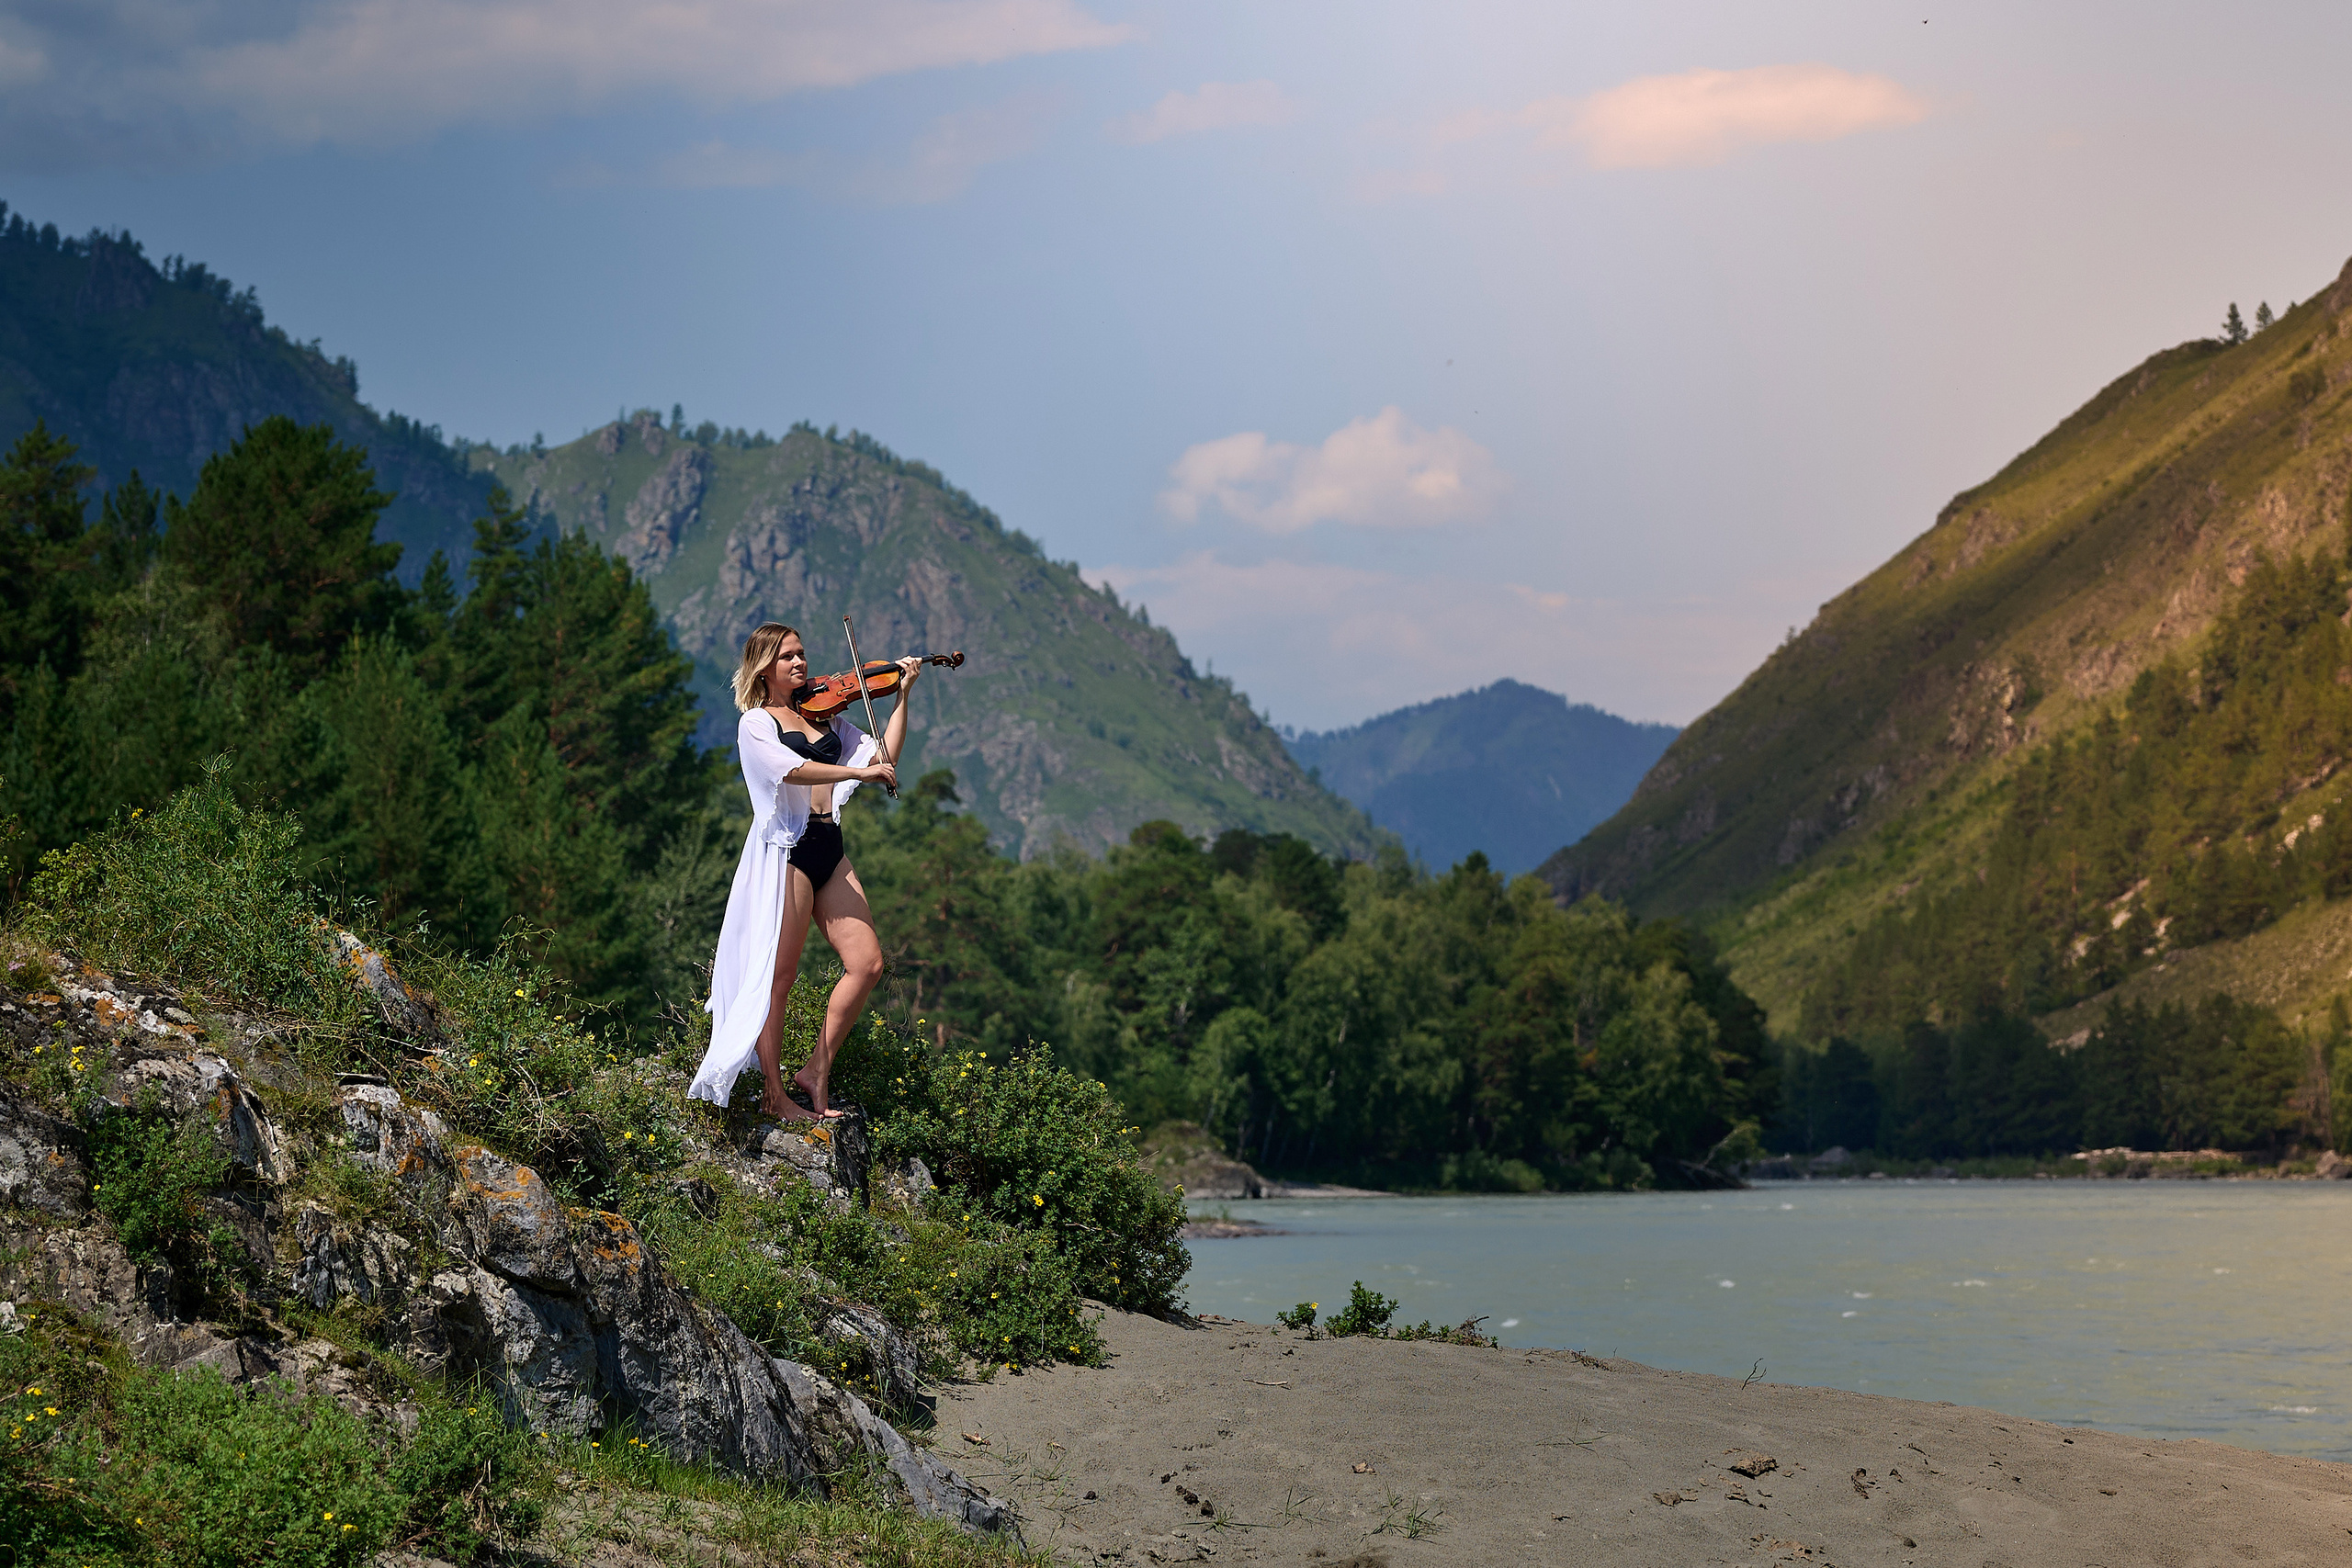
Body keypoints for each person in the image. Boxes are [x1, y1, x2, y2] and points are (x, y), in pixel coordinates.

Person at [688, 622, 922, 1121]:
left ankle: (816, 1070)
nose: (799, 664)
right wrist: (858, 772)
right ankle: (774, 1094)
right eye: (786, 657)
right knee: (780, 977)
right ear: (764, 667)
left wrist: (900, 698)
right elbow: (791, 771)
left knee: (867, 964)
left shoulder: (828, 718)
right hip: (787, 851)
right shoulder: (756, 723)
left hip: (828, 846)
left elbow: (885, 757)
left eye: (801, 655)